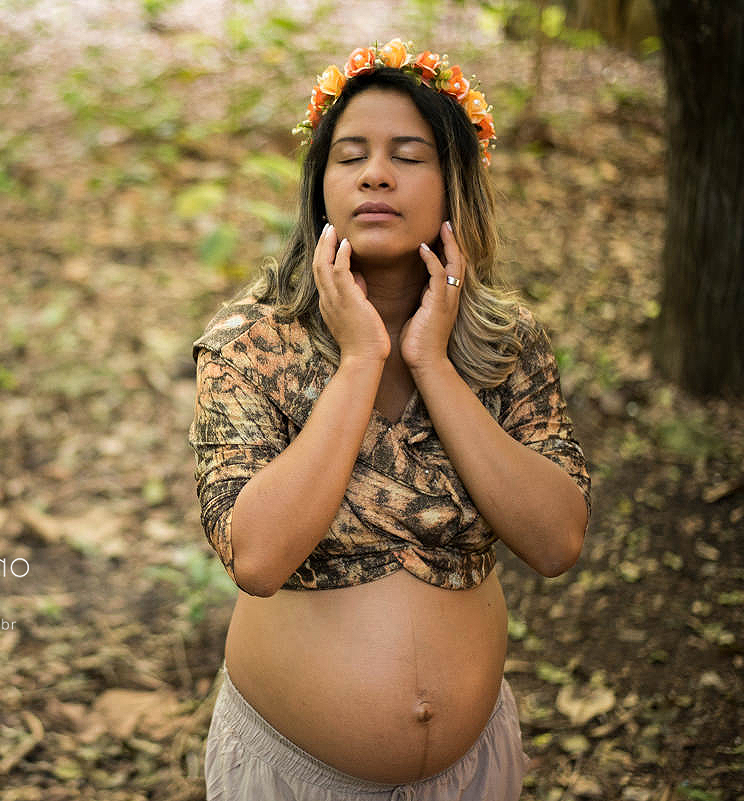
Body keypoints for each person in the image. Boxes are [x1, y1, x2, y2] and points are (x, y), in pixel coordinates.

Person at [188, 39, 592, 800]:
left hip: (473, 772)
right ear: (321, 188)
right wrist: (360, 360)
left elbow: (557, 540)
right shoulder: (250, 342)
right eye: (351, 156)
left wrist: (433, 363)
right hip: (292, 774)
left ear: (455, 184)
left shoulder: (506, 343)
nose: (376, 174)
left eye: (408, 155)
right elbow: (259, 558)